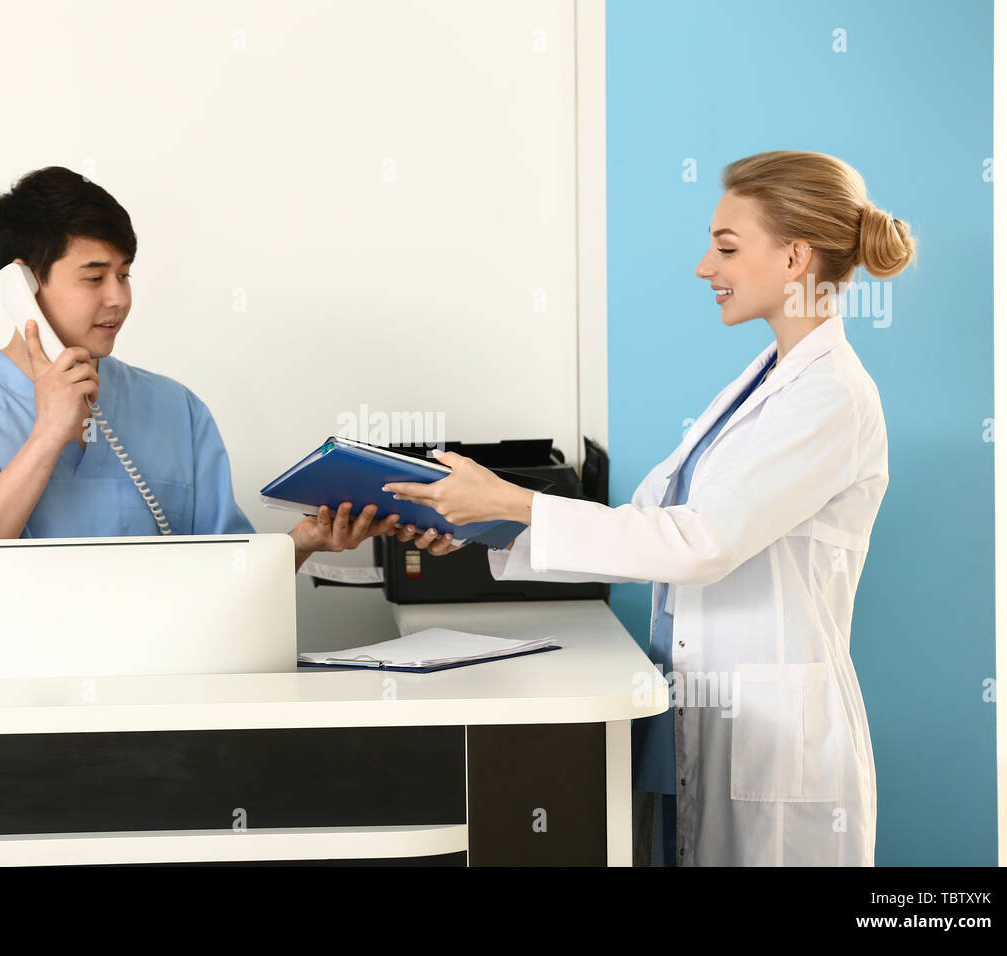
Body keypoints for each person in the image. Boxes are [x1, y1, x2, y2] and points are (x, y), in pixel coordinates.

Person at [384, 150, 917, 865]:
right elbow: (643, 525)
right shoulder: (762, 383)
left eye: (727, 247)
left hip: (775, 740)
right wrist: (484, 526)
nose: (705, 267)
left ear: (795, 257)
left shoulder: (832, 397)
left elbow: (696, 544)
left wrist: (516, 500)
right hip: (712, 716)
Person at [0, 166, 461, 567]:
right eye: (94, 276)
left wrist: (303, 543)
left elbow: (223, 574)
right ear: (23, 284)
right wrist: (47, 435)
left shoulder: (176, 409)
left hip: (169, 705)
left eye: (126, 273)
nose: (119, 297)